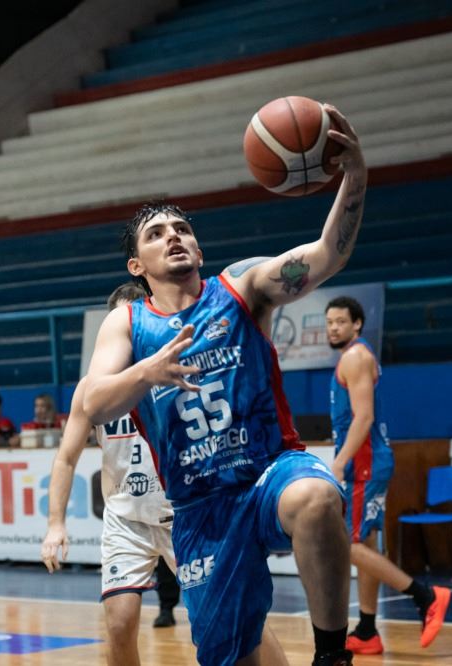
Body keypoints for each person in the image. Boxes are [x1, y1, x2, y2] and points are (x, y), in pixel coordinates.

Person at [83, 103, 364, 666]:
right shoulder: (127, 323)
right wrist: (146, 372)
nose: (174, 237)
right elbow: (92, 402)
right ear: (137, 266)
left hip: (268, 471)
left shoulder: (241, 287)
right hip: (200, 508)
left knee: (315, 498)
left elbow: (326, 256)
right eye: (156, 234)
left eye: (182, 229)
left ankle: (332, 654)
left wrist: (355, 175)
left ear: (199, 249)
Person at [41, 283, 287, 666]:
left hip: (184, 514)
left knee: (239, 616)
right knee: (119, 623)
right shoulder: (91, 391)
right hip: (126, 519)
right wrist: (55, 523)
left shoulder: (185, 370)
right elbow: (65, 459)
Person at [325, 296, 450, 655]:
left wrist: (339, 462)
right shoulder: (356, 357)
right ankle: (367, 631)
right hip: (369, 462)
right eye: (329, 322)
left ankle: (425, 596)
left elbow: (363, 417)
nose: (333, 328)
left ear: (357, 324)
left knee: (347, 544)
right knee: (365, 546)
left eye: (340, 321)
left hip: (363, 464)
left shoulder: (355, 357)